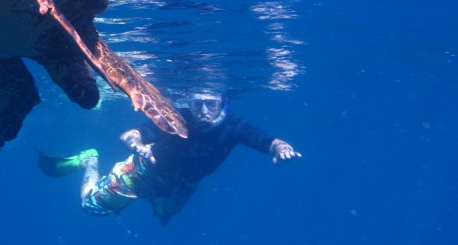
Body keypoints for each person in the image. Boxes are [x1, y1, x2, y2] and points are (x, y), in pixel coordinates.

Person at [39, 91, 301, 225]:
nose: (204, 112)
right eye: (197, 104)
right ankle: (89, 160)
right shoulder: (176, 118)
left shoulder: (235, 127)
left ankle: (158, 201)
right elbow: (131, 134)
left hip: (183, 185)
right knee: (91, 207)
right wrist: (138, 144)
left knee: (165, 216)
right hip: (143, 172)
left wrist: (281, 149)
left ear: (224, 103)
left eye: (211, 104)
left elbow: (268, 141)